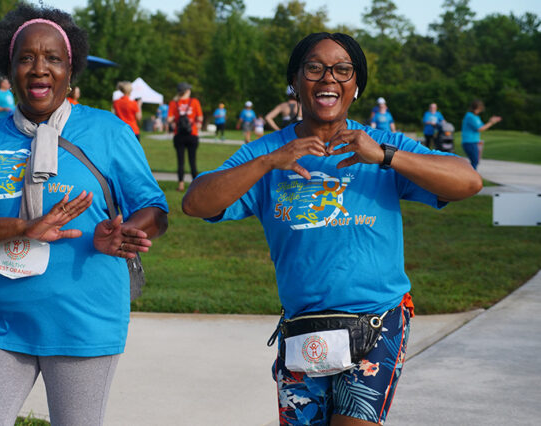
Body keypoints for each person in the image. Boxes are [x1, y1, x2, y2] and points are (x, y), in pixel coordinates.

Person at [181, 32, 482, 426]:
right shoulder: (268, 153)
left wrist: (386, 156)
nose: (328, 79)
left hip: (376, 321)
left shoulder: (379, 144)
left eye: (343, 70)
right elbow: (196, 203)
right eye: (314, 68)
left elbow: (468, 181)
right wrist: (269, 162)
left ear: (356, 86)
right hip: (303, 327)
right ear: (294, 82)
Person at [0, 5, 168, 425]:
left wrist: (121, 231)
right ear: (9, 68)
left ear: (70, 69)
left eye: (53, 58)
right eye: (26, 58)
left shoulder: (108, 131)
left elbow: (155, 209)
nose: (39, 69)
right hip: (2, 323)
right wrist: (23, 227)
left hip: (84, 323)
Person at [167, 82, 203, 192]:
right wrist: (196, 123)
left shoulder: (174, 103)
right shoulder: (194, 102)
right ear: (187, 91)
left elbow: (169, 119)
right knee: (193, 161)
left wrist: (176, 120)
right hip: (192, 134)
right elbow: (200, 118)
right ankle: (195, 185)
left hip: (179, 135)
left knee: (180, 161)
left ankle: (181, 185)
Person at [461, 99, 502, 170]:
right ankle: (471, 176)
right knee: (475, 161)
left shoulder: (476, 117)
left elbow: (483, 127)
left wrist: (491, 121)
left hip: (474, 142)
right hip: (469, 142)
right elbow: (480, 129)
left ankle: (472, 176)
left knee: (475, 161)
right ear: (477, 108)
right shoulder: (470, 116)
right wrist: (491, 122)